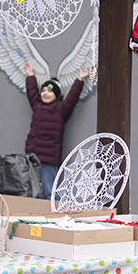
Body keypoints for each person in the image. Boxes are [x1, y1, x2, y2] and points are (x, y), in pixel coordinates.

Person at [24, 62, 89, 199]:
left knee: (50, 189)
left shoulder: (61, 109)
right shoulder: (37, 105)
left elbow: (72, 98)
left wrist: (80, 80)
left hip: (49, 157)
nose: (45, 93)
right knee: (35, 190)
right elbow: (31, 93)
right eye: (43, 90)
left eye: (49, 91)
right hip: (33, 156)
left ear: (56, 94)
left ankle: (52, 213)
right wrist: (30, 76)